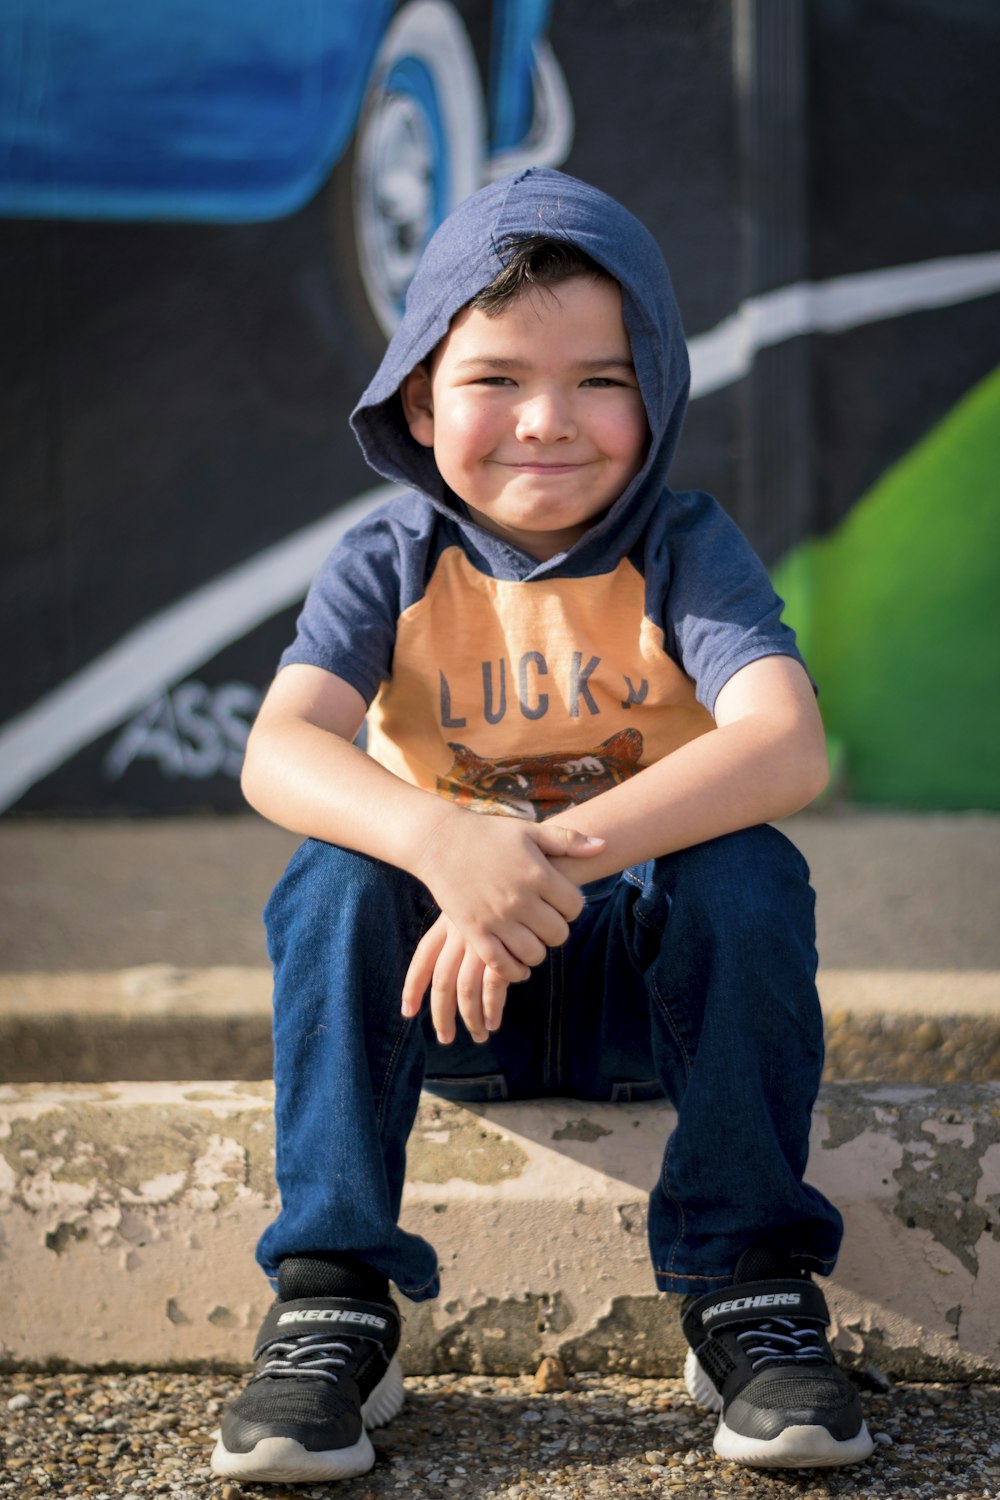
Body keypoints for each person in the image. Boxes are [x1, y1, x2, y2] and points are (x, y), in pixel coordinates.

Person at [211, 168, 873, 1484]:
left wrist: (534, 854)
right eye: (497, 377)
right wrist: (441, 846)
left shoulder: (687, 549)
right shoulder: (390, 559)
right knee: (335, 873)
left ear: (662, 391)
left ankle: (747, 1282)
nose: (548, 422)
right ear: (419, 396)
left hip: (649, 1005)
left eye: (604, 379)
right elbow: (276, 750)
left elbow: (785, 740)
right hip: (451, 1004)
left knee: (744, 869)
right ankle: (334, 1298)